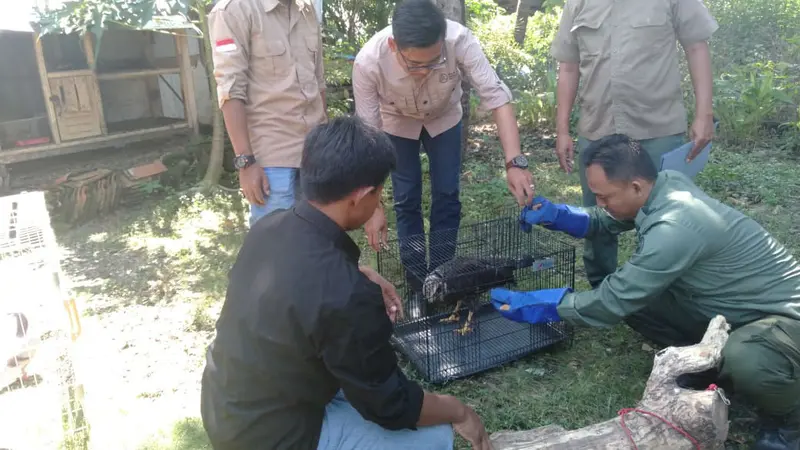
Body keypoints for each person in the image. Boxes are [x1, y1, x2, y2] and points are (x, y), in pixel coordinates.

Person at [490, 134, 800, 450]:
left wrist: (549, 305)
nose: (599, 202)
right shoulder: (663, 185)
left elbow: (613, 300)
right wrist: (561, 215)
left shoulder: (674, 228)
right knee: (642, 303)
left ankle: (791, 421)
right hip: (730, 306)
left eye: (603, 196)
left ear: (636, 187)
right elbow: (611, 219)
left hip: (784, 318)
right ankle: (711, 368)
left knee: (747, 358)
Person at [200, 115, 492, 450]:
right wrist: (458, 411)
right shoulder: (346, 294)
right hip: (270, 438)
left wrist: (359, 272)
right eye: (379, 193)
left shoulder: (269, 228)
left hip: (227, 404)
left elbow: (309, 281)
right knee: (435, 436)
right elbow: (391, 405)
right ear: (363, 195)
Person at [352, 0, 535, 287]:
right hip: (396, 122)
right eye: (414, 64)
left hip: (444, 118)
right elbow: (369, 136)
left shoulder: (460, 40)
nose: (424, 71)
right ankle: (416, 281)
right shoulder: (368, 63)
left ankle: (441, 278)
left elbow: (496, 97)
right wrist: (373, 206)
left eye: (433, 62)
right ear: (392, 45)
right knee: (406, 197)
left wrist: (515, 162)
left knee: (448, 194)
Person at [550, 0, 719, 288]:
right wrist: (562, 128)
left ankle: (667, 289)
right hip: (598, 124)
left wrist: (704, 113)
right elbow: (568, 67)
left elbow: (696, 46)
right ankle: (601, 287)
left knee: (667, 214)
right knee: (599, 213)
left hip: (657, 125)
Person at [208, 0, 327, 227]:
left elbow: (318, 81)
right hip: (272, 159)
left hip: (316, 152)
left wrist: (328, 144)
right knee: (276, 246)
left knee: (317, 241)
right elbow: (230, 91)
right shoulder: (234, 11)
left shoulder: (306, 8)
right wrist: (245, 162)